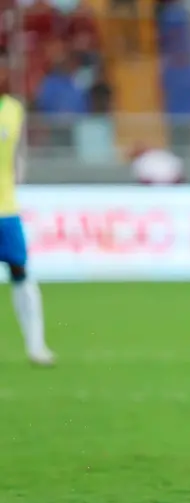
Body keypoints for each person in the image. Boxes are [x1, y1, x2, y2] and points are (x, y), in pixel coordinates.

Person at [0, 60, 55, 366]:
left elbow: (18, 155)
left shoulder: (13, 109)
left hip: (5, 209)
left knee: (20, 271)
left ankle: (37, 346)